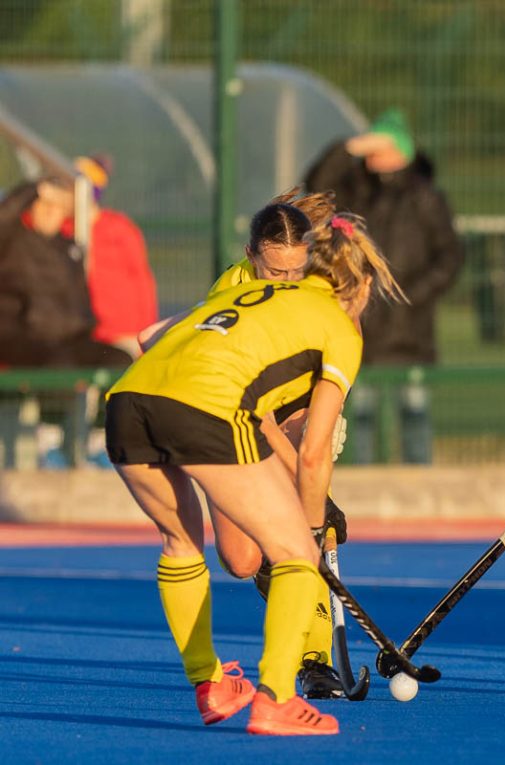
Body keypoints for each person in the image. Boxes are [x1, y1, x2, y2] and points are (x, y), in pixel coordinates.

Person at [104, 212, 402, 735]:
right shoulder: (339, 325)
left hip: (127, 401)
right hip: (210, 411)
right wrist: (312, 525)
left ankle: (211, 682)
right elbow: (313, 456)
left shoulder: (244, 293)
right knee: (292, 551)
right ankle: (277, 698)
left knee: (181, 542)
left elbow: (152, 334)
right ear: (363, 285)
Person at [143, 190, 356, 700]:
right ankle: (289, 572)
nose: (284, 283)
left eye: (293, 273)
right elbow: (251, 412)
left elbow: (323, 375)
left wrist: (310, 481)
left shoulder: (320, 287)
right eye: (272, 271)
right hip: (241, 410)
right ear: (250, 254)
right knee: (240, 560)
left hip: (302, 403)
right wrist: (312, 489)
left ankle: (313, 655)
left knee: (301, 523)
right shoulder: (230, 289)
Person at [305, 109, 464, 463]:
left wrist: (408, 297)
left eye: (383, 145)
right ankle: (361, 486)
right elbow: (315, 184)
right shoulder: (355, 190)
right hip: (361, 325)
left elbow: (449, 257)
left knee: (414, 413)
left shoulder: (425, 196)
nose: (374, 154)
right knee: (357, 414)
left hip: (409, 331)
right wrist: (351, 147)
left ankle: (419, 487)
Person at [0, 176, 132, 367]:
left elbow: (81, 303)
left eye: (57, 206)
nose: (50, 211)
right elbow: (4, 216)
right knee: (60, 366)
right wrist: (36, 189)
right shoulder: (12, 243)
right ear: (32, 206)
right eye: (44, 204)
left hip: (70, 340)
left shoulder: (70, 248)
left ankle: (105, 397)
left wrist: (86, 328)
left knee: (120, 361)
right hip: (27, 338)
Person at [63, 155, 158, 359]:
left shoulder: (119, 229)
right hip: (81, 333)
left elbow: (142, 280)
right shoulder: (62, 228)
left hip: (121, 333)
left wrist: (146, 332)